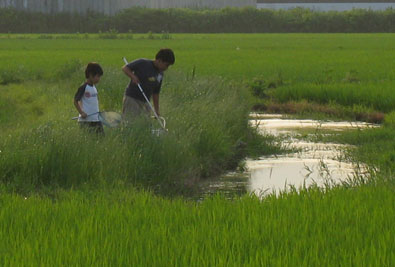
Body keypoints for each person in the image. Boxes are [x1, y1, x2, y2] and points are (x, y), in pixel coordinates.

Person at [121, 48, 175, 124]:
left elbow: (156, 93)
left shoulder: (160, 74)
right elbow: (125, 68)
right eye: (166, 65)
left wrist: (157, 111)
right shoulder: (143, 63)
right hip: (132, 99)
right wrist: (133, 77)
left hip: (146, 102)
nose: (166, 68)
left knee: (145, 124)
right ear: (159, 60)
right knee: (130, 123)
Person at [74, 62, 104, 135]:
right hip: (86, 121)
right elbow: (75, 101)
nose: (99, 79)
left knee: (101, 139)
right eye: (98, 76)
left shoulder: (94, 87)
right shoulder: (83, 87)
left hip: (96, 119)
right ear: (90, 75)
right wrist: (81, 113)